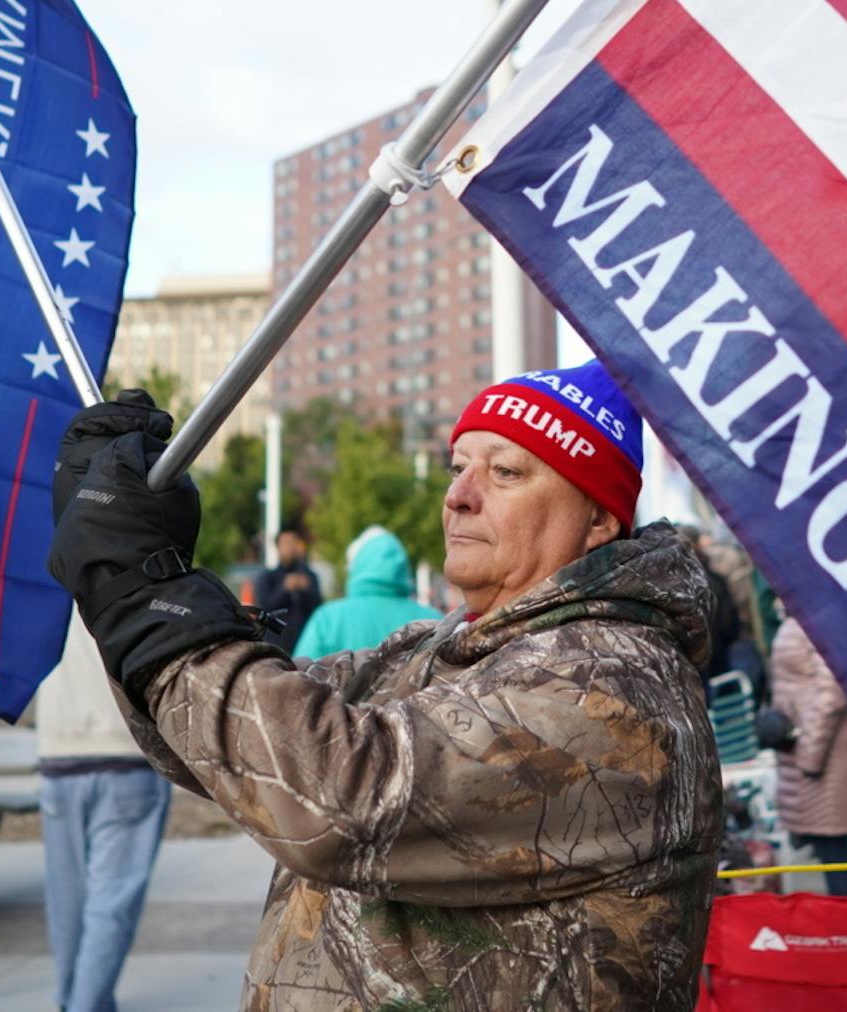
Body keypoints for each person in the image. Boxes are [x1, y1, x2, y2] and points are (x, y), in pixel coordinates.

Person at [48, 361, 723, 1010]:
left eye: (506, 472)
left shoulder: (614, 692)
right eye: (458, 467)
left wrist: (145, 589)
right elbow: (237, 750)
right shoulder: (441, 645)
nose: (459, 493)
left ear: (599, 518)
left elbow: (341, 797)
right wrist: (124, 577)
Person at [35, 611, 171, 1012]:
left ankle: (71, 997)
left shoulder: (45, 570)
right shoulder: (143, 566)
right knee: (112, 900)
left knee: (67, 895)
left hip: (58, 746)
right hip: (125, 748)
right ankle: (86, 1003)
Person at [769, 616, 847, 899]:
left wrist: (810, 754)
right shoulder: (800, 615)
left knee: (835, 848)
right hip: (808, 746)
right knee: (830, 849)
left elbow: (832, 692)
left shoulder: (819, 620)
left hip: (826, 751)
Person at [291, 524, 439, 659]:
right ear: (402, 567)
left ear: (357, 565)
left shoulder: (327, 619)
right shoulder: (433, 620)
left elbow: (298, 678)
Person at [248, 526, 321, 655]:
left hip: (306, 647)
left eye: (293, 543)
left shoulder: (308, 576)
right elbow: (263, 607)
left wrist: (304, 589)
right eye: (286, 543)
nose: (290, 548)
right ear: (278, 547)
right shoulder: (267, 577)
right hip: (276, 648)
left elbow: (318, 607)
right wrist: (284, 588)